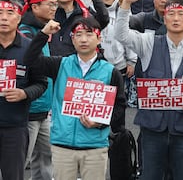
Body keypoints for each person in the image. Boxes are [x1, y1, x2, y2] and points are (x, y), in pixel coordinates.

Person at [115, 0, 183, 180]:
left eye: (181, 14)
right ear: (164, 17)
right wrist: (126, 4)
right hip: (153, 130)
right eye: (171, 14)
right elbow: (121, 35)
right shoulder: (149, 42)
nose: (176, 19)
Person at [23, 17, 126, 180]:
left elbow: (119, 106)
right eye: (78, 34)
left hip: (95, 146)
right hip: (62, 146)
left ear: (99, 38)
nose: (83, 39)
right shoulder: (60, 64)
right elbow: (29, 60)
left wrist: (101, 122)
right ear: (72, 39)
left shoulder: (110, 71)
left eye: (89, 34)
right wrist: (43, 34)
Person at [0, 0, 48, 180]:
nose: (4, 18)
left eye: (10, 13)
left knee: (14, 175)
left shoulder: (30, 48)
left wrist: (24, 93)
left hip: (15, 126)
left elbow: (41, 83)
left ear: (19, 18)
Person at [19, 0, 58, 180]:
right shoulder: (25, 31)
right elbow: (27, 63)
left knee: (45, 160)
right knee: (19, 161)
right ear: (34, 7)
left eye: (55, 4)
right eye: (49, 4)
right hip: (28, 108)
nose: (54, 8)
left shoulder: (44, 29)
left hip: (44, 108)